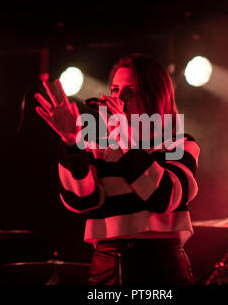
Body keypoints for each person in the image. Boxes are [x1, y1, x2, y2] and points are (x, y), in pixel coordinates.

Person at [34, 53, 200, 285]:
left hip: (162, 264)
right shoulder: (99, 148)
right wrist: (71, 141)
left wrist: (124, 135)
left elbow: (164, 197)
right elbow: (80, 200)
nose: (118, 98)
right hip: (108, 264)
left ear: (154, 95)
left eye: (129, 90)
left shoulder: (178, 144)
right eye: (114, 90)